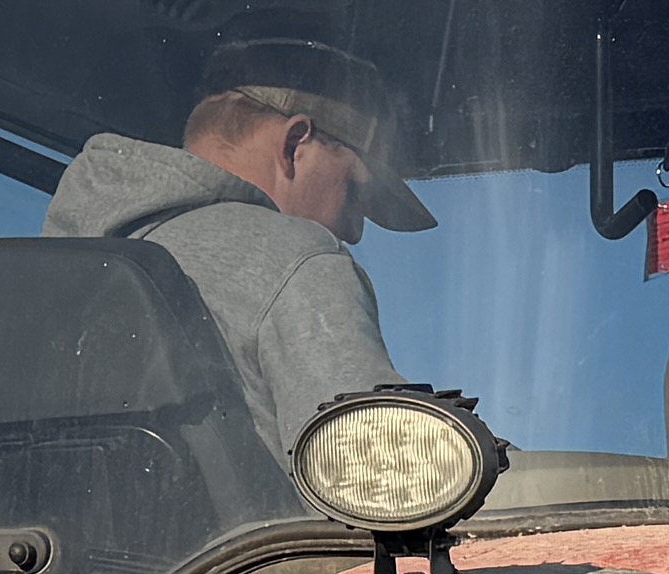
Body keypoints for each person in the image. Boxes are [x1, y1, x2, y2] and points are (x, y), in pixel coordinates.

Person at [42, 32, 441, 453]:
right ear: (294, 145)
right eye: (355, 192)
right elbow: (377, 464)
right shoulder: (296, 257)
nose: (355, 231)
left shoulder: (46, 280)